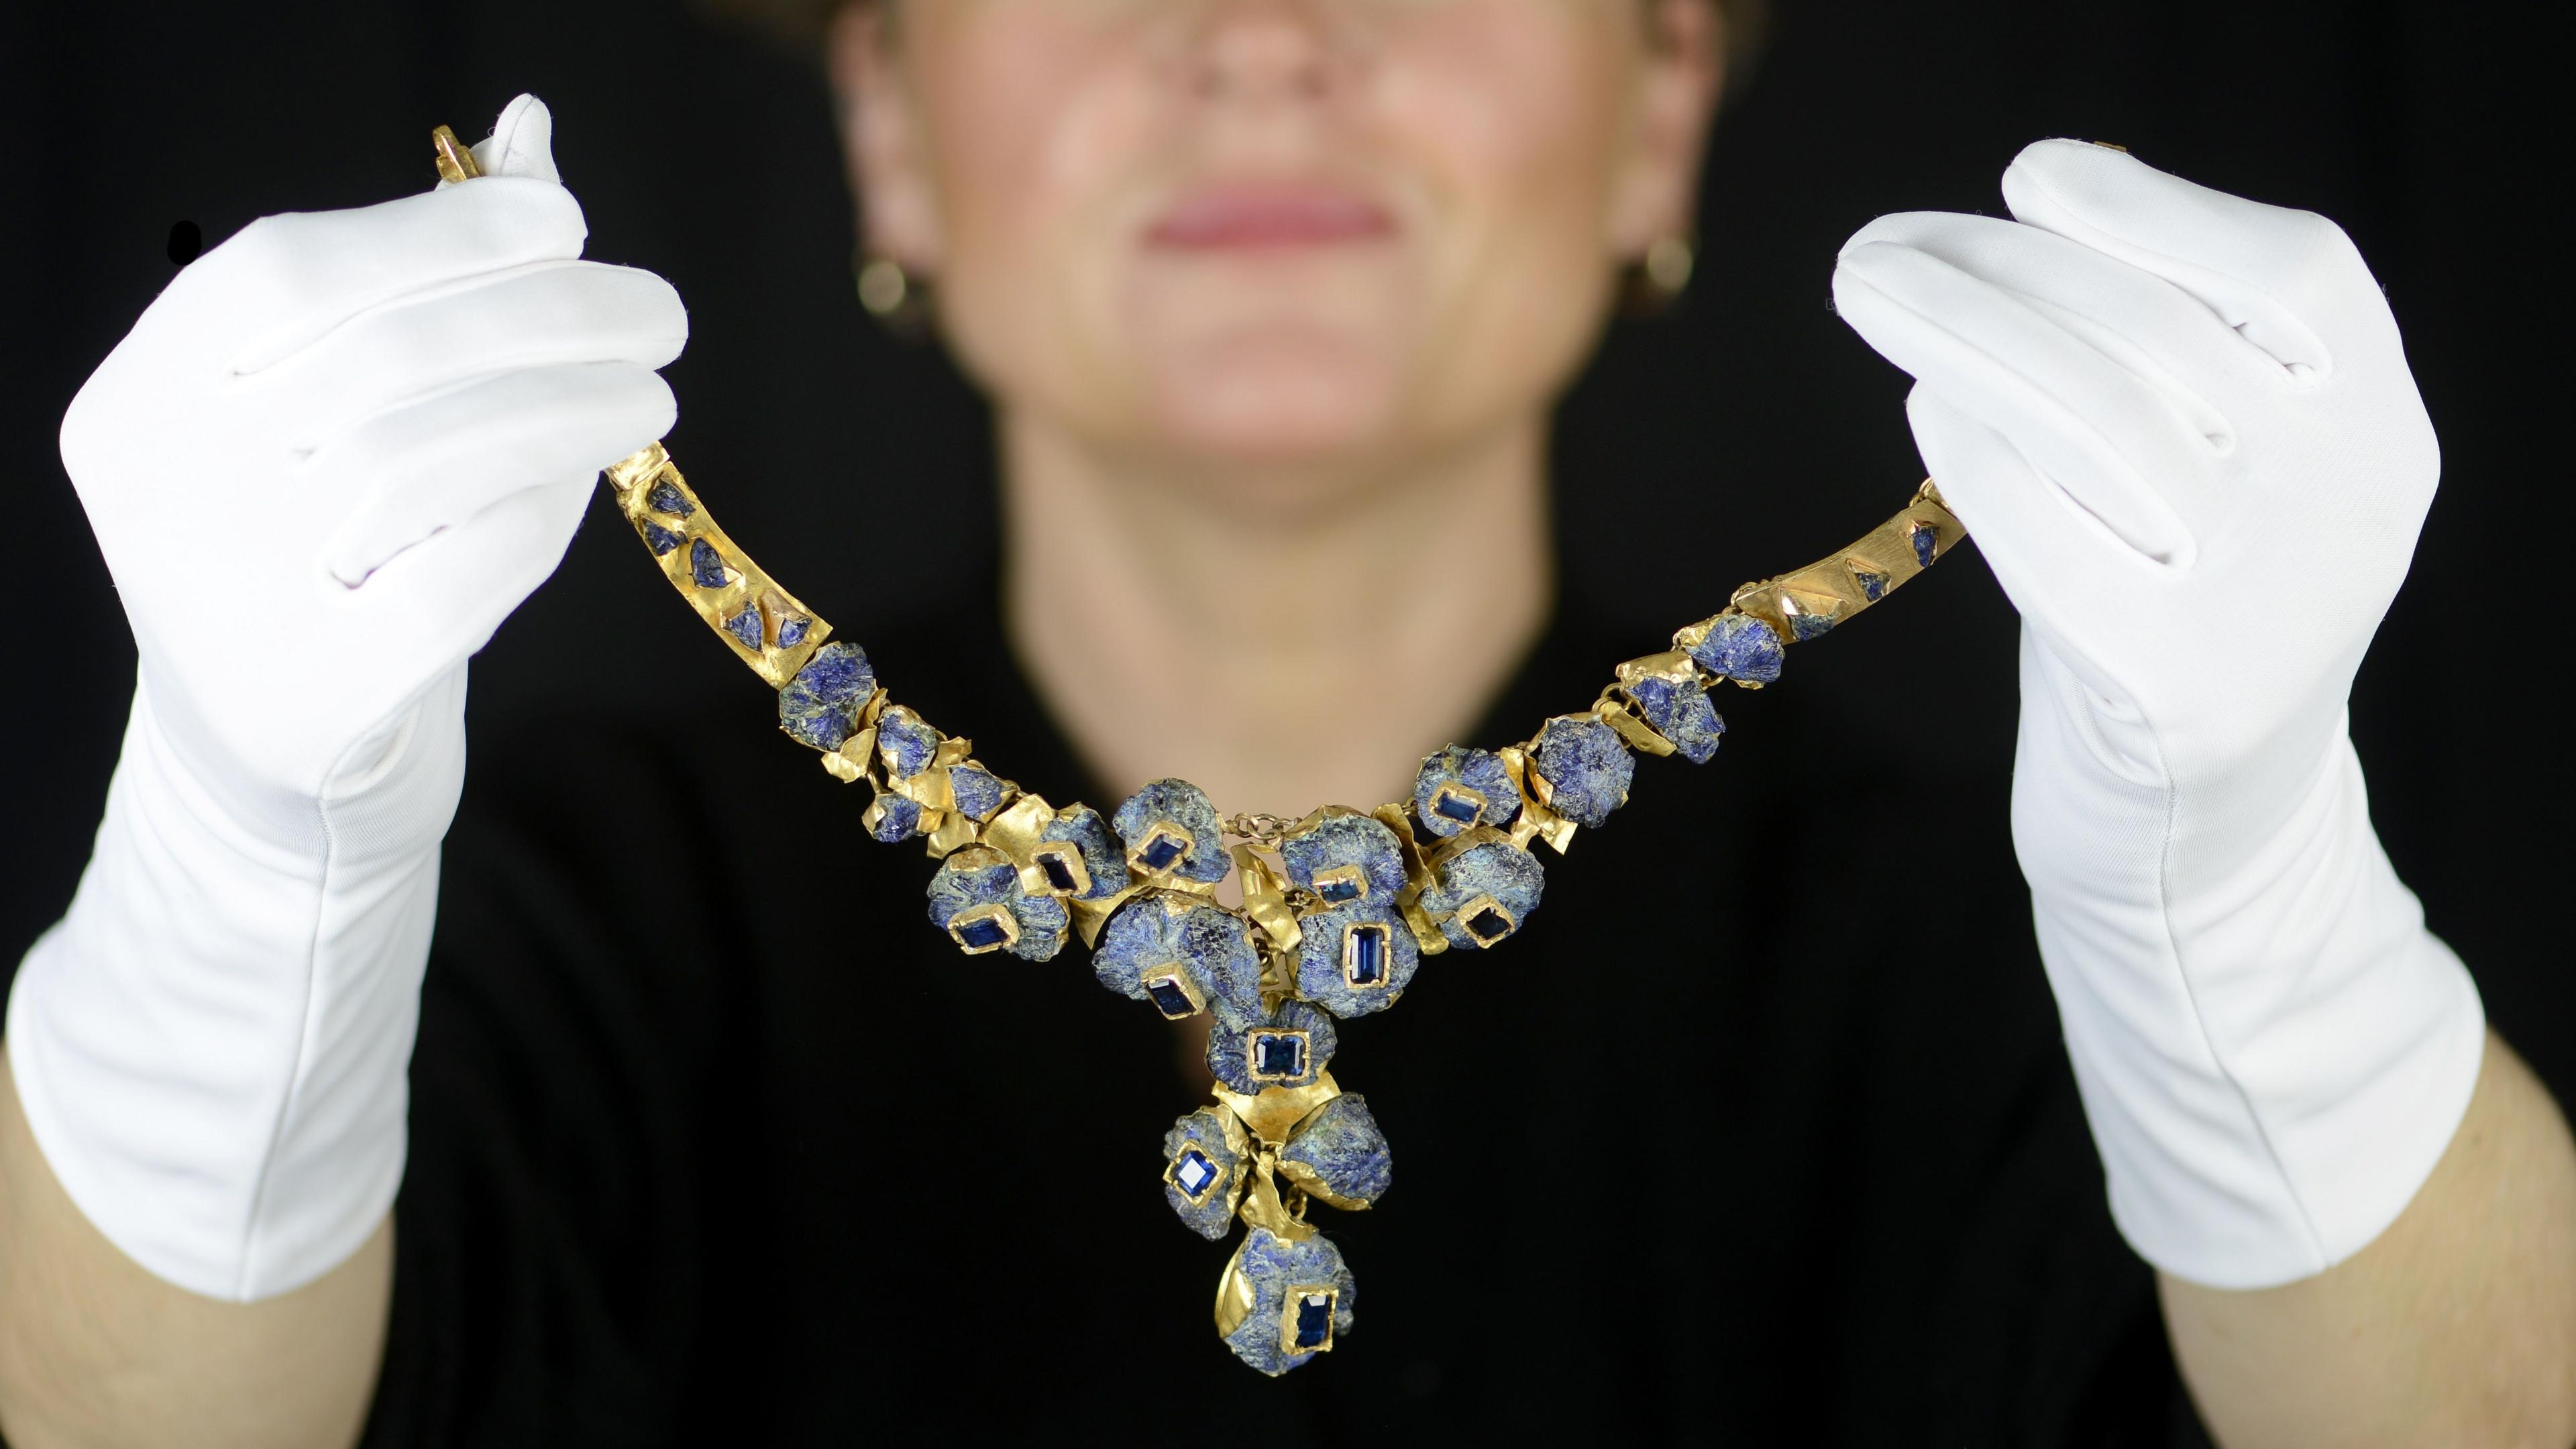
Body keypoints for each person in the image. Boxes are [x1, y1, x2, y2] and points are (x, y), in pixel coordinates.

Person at [3, 1, 2571, 1444]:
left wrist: (2256, 936)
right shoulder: (542, 940)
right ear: (883, 122)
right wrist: (244, 879)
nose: (1259, 43)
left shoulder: (1980, 974)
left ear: (1664, 93)